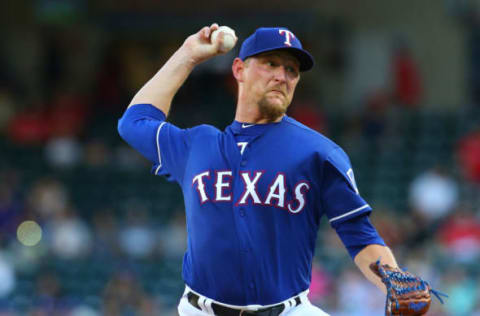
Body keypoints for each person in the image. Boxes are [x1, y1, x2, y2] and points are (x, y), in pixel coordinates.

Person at [118, 24, 399, 316]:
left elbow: (359, 235)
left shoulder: (319, 153)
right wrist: (188, 55)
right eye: (271, 64)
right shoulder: (197, 146)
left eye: (292, 70)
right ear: (239, 70)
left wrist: (393, 283)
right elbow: (134, 122)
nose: (282, 76)